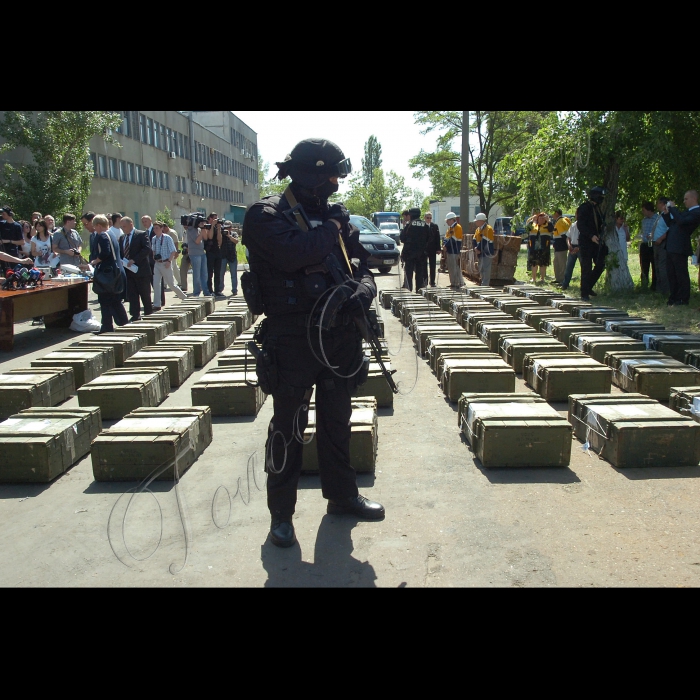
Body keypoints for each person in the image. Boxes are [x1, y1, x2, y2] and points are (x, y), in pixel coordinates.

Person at [243, 137, 385, 549]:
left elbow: (362, 266)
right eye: (330, 176)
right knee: (287, 428)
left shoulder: (333, 217)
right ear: (309, 176)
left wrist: (362, 290)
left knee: (337, 422)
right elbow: (293, 254)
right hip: (292, 338)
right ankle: (281, 516)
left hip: (339, 336)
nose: (336, 184)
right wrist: (333, 227)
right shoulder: (266, 215)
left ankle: (342, 496)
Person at [89, 214, 128, 334]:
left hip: (108, 273)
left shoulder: (103, 236)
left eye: (95, 227)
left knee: (105, 300)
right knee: (115, 300)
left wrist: (95, 261)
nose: (95, 229)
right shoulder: (111, 234)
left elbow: (105, 252)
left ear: (99, 226)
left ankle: (107, 327)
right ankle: (123, 323)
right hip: (117, 271)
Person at [662, 190, 700, 306]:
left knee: (680, 274)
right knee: (671, 274)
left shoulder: (697, 212)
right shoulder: (686, 212)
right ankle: (673, 297)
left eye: (686, 199)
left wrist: (673, 208)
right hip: (671, 246)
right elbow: (672, 223)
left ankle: (683, 298)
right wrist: (667, 213)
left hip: (680, 247)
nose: (684, 201)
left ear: (694, 199)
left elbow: (682, 222)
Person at [577, 186, 608, 301]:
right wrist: (591, 236)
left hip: (596, 242)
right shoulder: (584, 208)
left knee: (600, 264)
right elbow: (581, 225)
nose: (602, 199)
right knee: (587, 267)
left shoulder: (597, 209)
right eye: (601, 196)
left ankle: (588, 285)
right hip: (586, 242)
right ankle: (584, 293)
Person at [119, 216, 153, 321]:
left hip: (141, 270)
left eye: (124, 226)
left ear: (131, 224)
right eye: (121, 227)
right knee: (132, 294)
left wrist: (134, 260)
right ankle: (135, 315)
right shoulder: (122, 238)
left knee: (145, 294)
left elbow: (147, 249)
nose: (123, 228)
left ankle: (148, 314)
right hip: (128, 271)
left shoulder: (141, 234)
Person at [151, 221, 187, 308]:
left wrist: (169, 261)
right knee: (156, 283)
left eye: (157, 228)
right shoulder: (154, 239)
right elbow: (153, 250)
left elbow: (173, 251)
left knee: (171, 284)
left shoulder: (167, 238)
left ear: (162, 229)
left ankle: (184, 298)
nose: (155, 230)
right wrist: (154, 257)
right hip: (157, 263)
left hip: (166, 263)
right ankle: (157, 304)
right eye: (154, 228)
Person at [400, 208, 430, 291]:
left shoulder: (409, 225)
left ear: (411, 215)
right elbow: (429, 239)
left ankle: (408, 291)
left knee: (408, 274)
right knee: (420, 274)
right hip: (421, 255)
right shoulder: (425, 225)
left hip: (410, 254)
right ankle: (419, 292)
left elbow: (402, 238)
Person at [185, 218, 209, 297]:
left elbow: (205, 238)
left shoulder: (199, 229)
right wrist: (201, 230)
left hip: (202, 253)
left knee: (204, 274)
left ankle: (206, 291)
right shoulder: (190, 230)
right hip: (194, 254)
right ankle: (196, 293)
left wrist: (203, 229)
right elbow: (197, 241)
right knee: (197, 275)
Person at [203, 212, 225, 298]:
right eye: (214, 218)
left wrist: (219, 229)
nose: (216, 220)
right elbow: (210, 237)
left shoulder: (217, 227)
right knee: (209, 272)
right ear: (210, 219)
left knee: (217, 272)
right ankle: (209, 290)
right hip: (210, 252)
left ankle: (217, 290)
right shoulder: (207, 226)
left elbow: (220, 241)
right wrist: (212, 225)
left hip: (217, 251)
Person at [528, 212, 553, 284]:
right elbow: (527, 229)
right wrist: (532, 221)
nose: (541, 219)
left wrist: (548, 221)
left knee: (543, 263)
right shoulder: (533, 224)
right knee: (534, 263)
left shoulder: (547, 225)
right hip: (534, 248)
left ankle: (542, 279)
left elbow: (551, 229)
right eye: (540, 218)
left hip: (544, 248)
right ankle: (534, 278)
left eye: (543, 218)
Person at [653, 197, 671, 296]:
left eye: (658, 203)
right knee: (657, 266)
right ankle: (659, 289)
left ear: (663, 204)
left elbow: (670, 230)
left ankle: (665, 290)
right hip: (656, 243)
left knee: (662, 266)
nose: (657, 205)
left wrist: (661, 238)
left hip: (663, 243)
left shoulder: (667, 216)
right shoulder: (661, 215)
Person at [473, 213, 495, 286]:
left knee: (486, 269)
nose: (475, 222)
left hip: (487, 252)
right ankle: (483, 283)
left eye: (477, 220)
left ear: (481, 221)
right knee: (481, 269)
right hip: (480, 252)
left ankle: (485, 284)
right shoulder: (478, 229)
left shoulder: (488, 229)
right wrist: (475, 248)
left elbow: (484, 241)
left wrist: (478, 249)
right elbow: (474, 239)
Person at [639, 201, 657, 290]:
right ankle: (644, 285)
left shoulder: (657, 219)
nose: (643, 212)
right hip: (644, 244)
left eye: (644, 210)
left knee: (654, 265)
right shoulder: (644, 220)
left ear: (649, 210)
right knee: (644, 265)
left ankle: (654, 286)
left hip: (653, 245)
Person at [443, 212, 463, 288]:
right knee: (451, 267)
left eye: (447, 220)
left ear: (452, 220)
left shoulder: (458, 227)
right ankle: (453, 282)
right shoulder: (450, 228)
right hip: (450, 250)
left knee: (455, 267)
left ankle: (457, 282)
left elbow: (454, 239)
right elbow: (446, 238)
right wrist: (444, 245)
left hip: (455, 250)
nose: (446, 222)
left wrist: (446, 245)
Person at [219, 221, 239, 296]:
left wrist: (229, 236)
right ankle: (220, 289)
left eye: (229, 227)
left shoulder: (234, 234)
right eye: (226, 227)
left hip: (232, 256)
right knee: (221, 274)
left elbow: (236, 241)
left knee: (233, 274)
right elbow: (219, 243)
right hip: (223, 255)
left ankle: (234, 290)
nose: (227, 229)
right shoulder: (222, 234)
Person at [551, 209, 571, 285]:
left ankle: (562, 280)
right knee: (556, 262)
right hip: (559, 246)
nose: (552, 215)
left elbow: (564, 236)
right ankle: (558, 279)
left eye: (553, 213)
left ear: (556, 213)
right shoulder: (562, 220)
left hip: (561, 246)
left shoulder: (560, 222)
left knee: (562, 263)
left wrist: (567, 245)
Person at [560, 219, 580, 291]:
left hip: (581, 247)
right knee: (569, 267)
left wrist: (578, 247)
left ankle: (584, 285)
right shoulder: (573, 225)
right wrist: (569, 245)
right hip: (572, 246)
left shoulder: (585, 225)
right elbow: (568, 237)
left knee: (584, 268)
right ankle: (565, 284)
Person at [424, 212, 442, 287]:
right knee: (424, 266)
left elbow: (437, 238)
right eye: (427, 218)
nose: (429, 219)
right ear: (425, 218)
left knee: (433, 266)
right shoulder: (423, 226)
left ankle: (432, 281)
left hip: (432, 249)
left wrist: (438, 248)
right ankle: (424, 281)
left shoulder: (434, 226)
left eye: (430, 218)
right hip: (424, 249)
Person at [162, 222, 182, 287]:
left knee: (168, 268)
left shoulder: (172, 233)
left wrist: (176, 252)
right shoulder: (165, 233)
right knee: (175, 268)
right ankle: (180, 281)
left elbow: (176, 243)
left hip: (172, 253)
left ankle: (165, 284)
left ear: (166, 227)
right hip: (166, 253)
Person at [179, 225, 190, 292]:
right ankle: (184, 287)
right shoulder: (184, 232)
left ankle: (198, 287)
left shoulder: (194, 231)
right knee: (182, 270)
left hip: (193, 253)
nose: (185, 226)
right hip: (186, 253)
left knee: (197, 272)